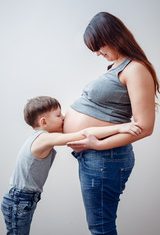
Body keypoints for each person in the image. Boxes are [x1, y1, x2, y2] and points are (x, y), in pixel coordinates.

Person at [64, 12, 160, 235]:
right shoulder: (118, 66)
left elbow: (145, 126)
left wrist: (96, 145)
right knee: (100, 226)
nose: (97, 53)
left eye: (99, 46)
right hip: (97, 157)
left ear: (114, 36)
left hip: (105, 156)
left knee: (101, 227)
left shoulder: (135, 68)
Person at [1, 96, 141, 235]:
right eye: (58, 115)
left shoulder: (38, 137)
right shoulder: (43, 138)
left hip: (21, 198)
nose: (63, 118)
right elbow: (82, 135)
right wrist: (120, 128)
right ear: (43, 121)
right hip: (19, 200)